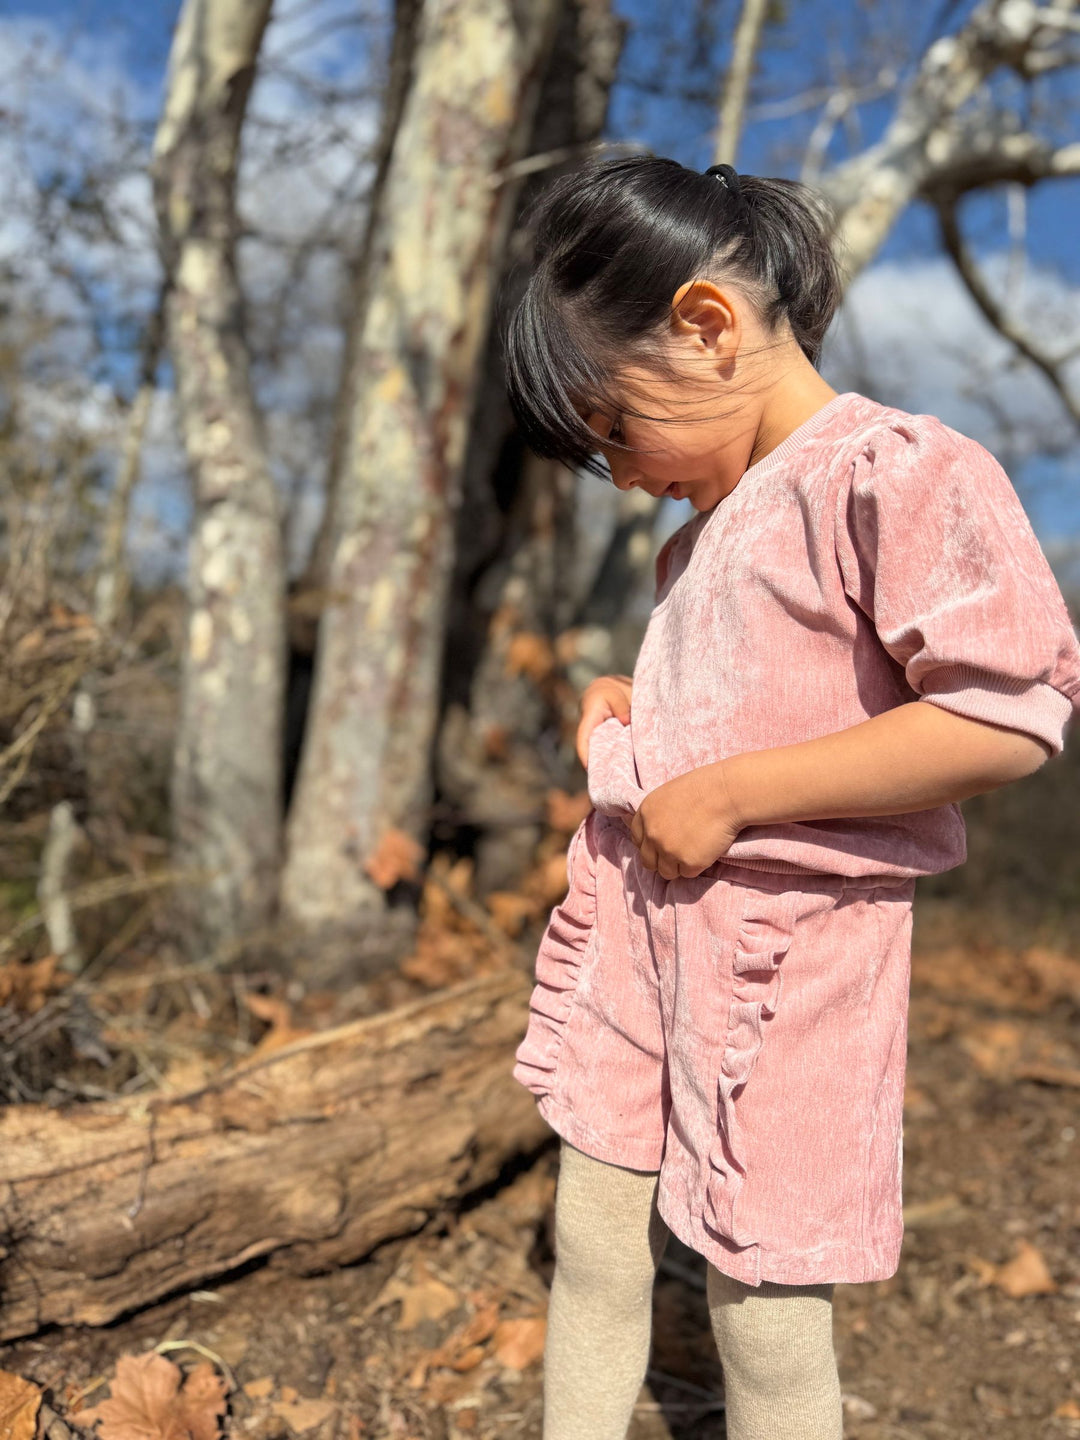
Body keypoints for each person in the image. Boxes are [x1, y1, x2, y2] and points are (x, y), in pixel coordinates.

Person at [497, 153, 1080, 1440]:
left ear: (706, 327)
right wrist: (630, 710)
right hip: (644, 940)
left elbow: (1007, 714)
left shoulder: (893, 471)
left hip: (788, 965)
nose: (622, 472)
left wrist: (742, 794)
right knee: (593, 1224)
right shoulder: (694, 542)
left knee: (759, 1297)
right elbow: (734, 707)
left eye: (612, 428)